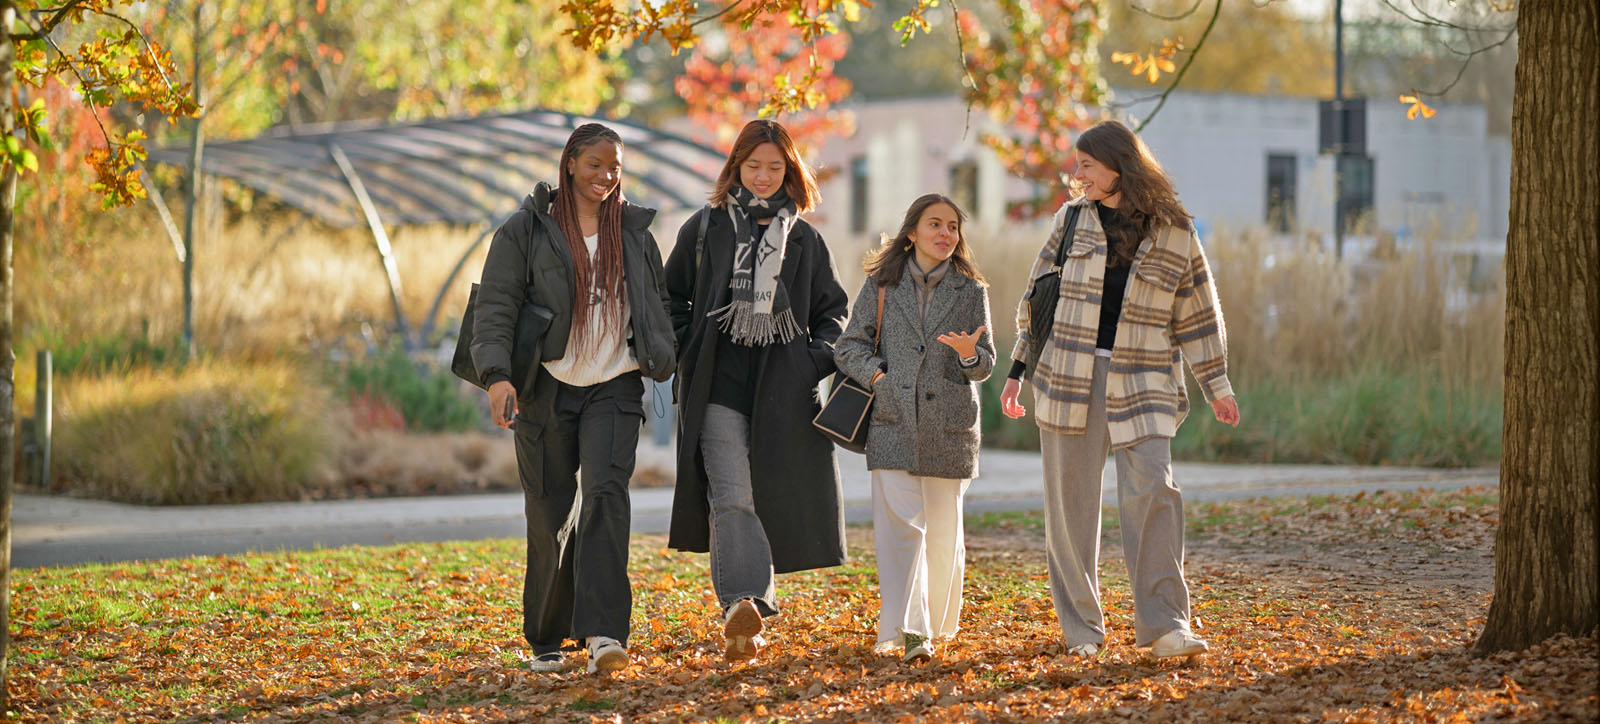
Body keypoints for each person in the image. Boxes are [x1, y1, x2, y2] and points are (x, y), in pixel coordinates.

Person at [1000, 119, 1241, 660]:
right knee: (1071, 510)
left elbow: (1198, 314)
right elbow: (1037, 303)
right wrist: (1018, 371)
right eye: (1077, 164)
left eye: (1086, 164)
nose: (1076, 174)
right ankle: (1082, 631)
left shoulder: (1177, 230)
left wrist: (1216, 385)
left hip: (1146, 378)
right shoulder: (1069, 221)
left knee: (1155, 493)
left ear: (1117, 166)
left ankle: (1164, 627)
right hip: (1067, 377)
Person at [471, 122, 676, 674]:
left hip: (615, 383)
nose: (606, 177)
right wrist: (497, 376)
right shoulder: (526, 230)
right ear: (569, 164)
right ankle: (547, 637)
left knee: (608, 496)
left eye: (614, 166)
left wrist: (662, 351)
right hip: (546, 386)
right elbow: (496, 305)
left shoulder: (634, 231)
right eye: (595, 165)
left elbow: (658, 302)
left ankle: (605, 633)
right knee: (550, 509)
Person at [664, 119, 850, 663]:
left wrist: (808, 363)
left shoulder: (807, 240)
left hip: (781, 388)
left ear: (789, 171)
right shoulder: (704, 228)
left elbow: (832, 313)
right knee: (732, 494)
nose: (764, 176)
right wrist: (688, 347)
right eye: (753, 166)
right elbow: (670, 298)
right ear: (736, 168)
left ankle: (750, 608)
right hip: (716, 384)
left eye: (775, 167)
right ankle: (741, 603)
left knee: (768, 493)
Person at [833, 194, 994, 664]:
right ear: (912, 232)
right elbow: (848, 348)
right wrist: (879, 378)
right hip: (892, 421)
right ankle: (909, 632)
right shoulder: (882, 284)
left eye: (952, 227)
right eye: (934, 224)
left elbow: (984, 366)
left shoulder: (972, 291)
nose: (945, 234)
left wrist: (969, 354)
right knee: (901, 533)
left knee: (943, 534)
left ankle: (937, 627)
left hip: (950, 426)